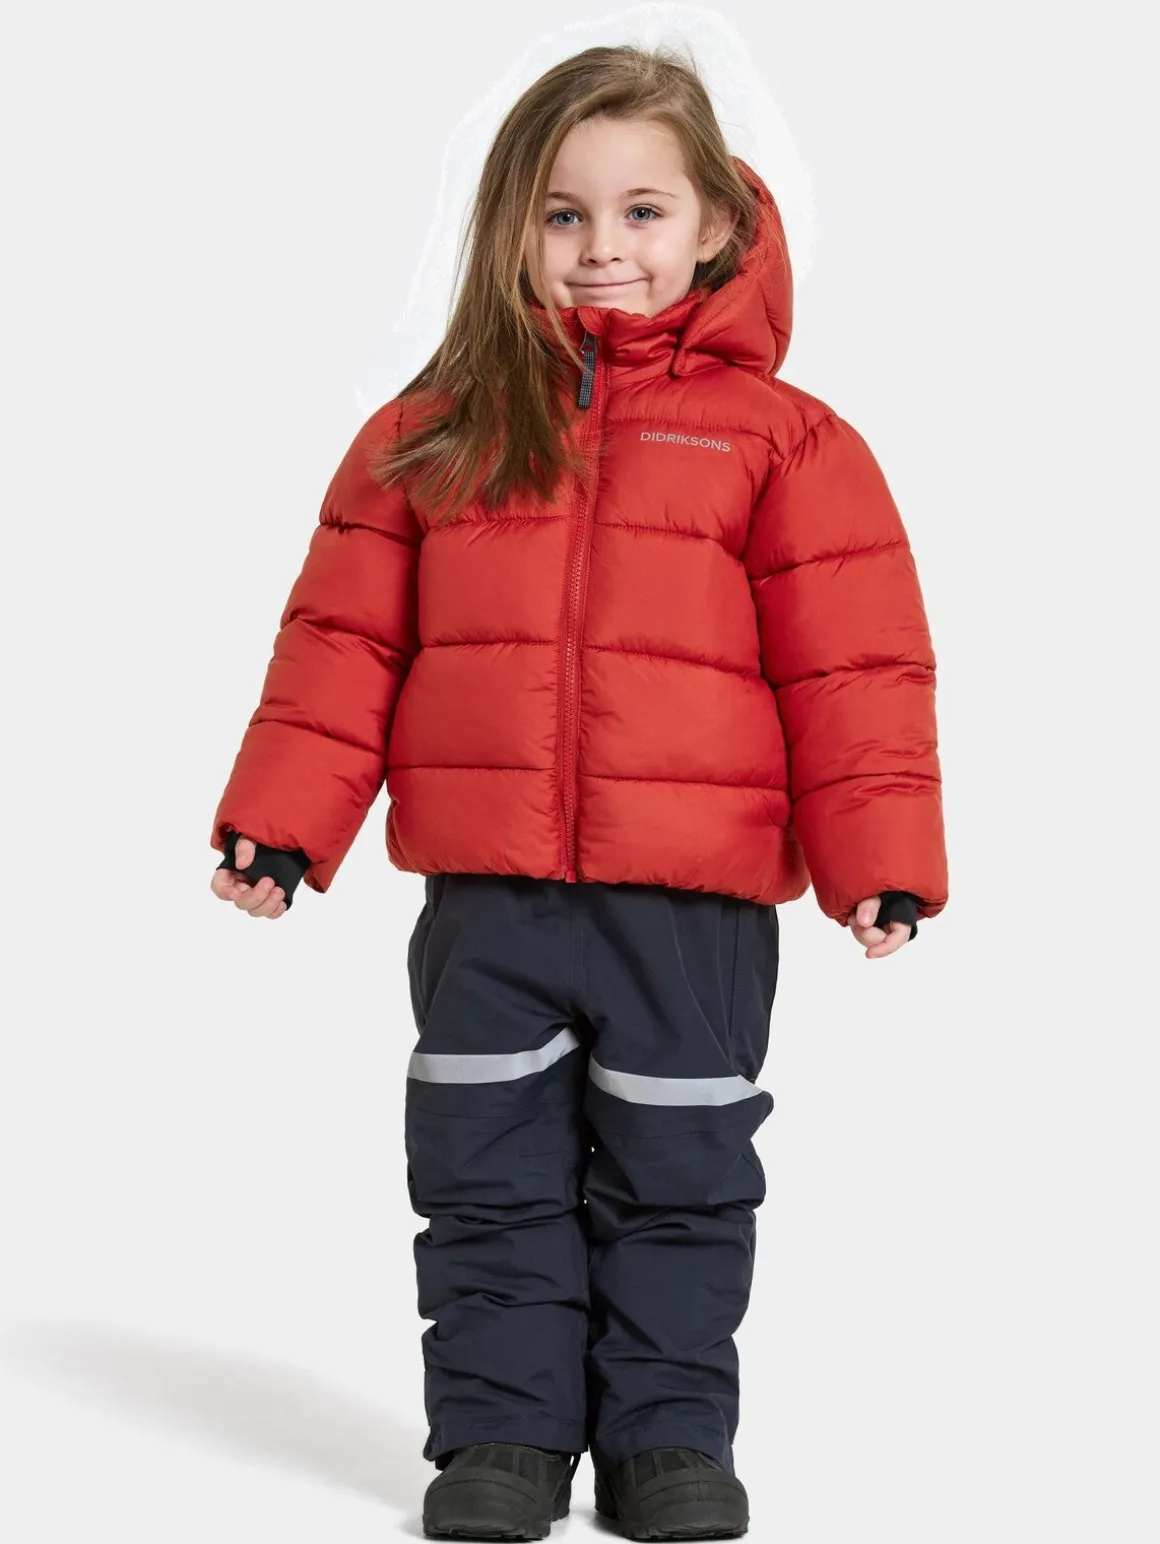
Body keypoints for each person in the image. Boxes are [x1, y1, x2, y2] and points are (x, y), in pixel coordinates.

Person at [208, 41, 948, 1543]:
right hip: (489, 895)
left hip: (692, 904)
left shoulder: (788, 445)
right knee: (483, 1168)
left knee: (682, 1173)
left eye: (643, 211)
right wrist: (283, 825)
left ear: (718, 223)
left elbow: (857, 668)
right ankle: (504, 1437)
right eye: (563, 213)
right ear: (512, 226)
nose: (603, 247)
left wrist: (881, 856)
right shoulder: (435, 430)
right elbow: (343, 641)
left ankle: (669, 1440)